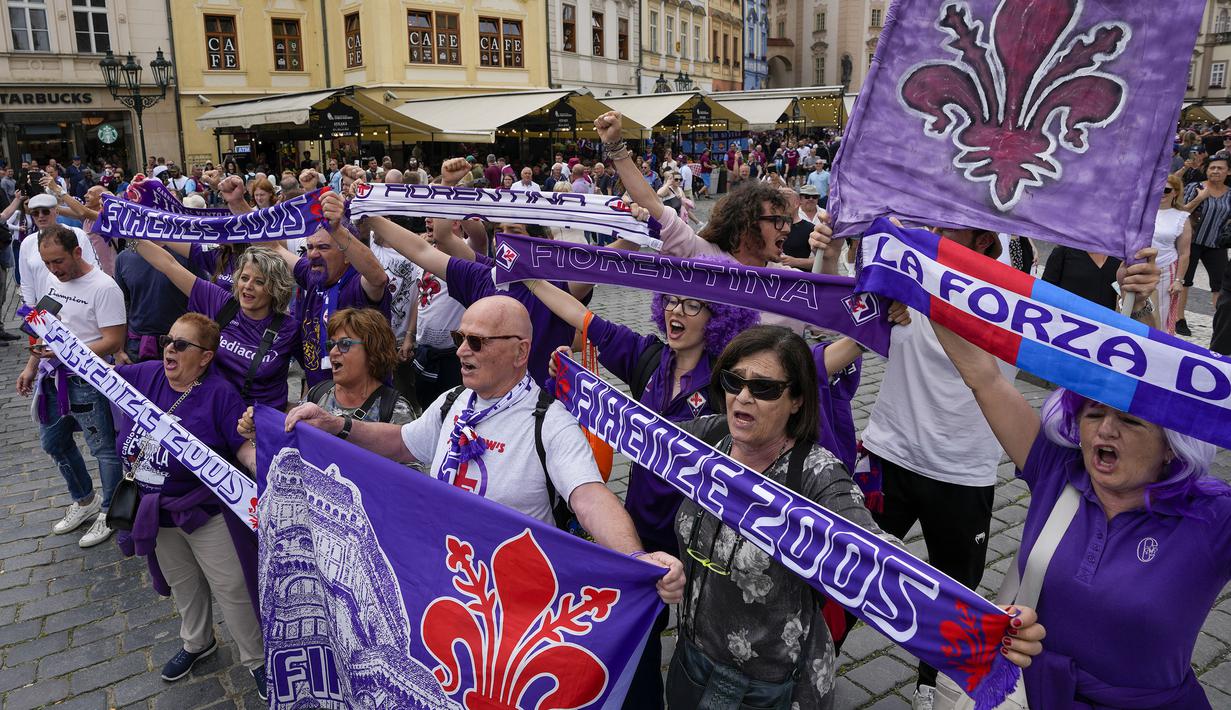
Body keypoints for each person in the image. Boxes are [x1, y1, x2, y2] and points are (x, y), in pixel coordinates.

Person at [280, 295, 685, 600]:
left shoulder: (549, 421)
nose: (461, 351)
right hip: (440, 576)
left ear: (520, 351)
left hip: (510, 599)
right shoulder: (453, 400)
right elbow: (403, 442)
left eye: (476, 341)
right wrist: (337, 425)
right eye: (460, 338)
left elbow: (590, 498)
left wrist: (637, 559)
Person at [930, 298, 1223, 708]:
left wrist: (1146, 306)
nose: (1106, 430)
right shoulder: (1058, 470)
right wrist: (922, 284)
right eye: (1093, 413)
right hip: (1034, 697)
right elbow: (985, 377)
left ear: (1172, 447)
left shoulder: (1213, 517)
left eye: (1130, 420)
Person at [530, 275, 759, 707]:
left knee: (704, 639)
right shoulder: (647, 357)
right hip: (641, 527)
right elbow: (582, 317)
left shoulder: (729, 380)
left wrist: (864, 334)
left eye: (691, 305)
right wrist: (527, 274)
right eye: (670, 300)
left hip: (702, 540)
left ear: (718, 318)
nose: (676, 311)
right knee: (641, 634)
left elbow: (810, 367)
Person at [110, 313, 266, 699]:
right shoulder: (147, 375)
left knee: (231, 587)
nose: (169, 349)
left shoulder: (219, 394)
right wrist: (56, 346)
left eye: (181, 345)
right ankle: (198, 642)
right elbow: (98, 374)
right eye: (168, 340)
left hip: (204, 512)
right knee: (183, 583)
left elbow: (242, 446)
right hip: (156, 511)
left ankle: (258, 660)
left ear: (205, 357)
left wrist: (261, 466)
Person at [15, 225, 125, 548]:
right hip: (53, 377)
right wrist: (31, 366)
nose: (53, 269)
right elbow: (43, 326)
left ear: (77, 252)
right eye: (47, 263)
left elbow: (113, 341)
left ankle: (110, 510)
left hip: (88, 380)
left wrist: (66, 352)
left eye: (58, 261)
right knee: (53, 442)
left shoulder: (104, 287)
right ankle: (85, 499)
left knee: (103, 449)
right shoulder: (52, 281)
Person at [132, 241, 301, 410]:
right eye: (244, 278)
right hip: (210, 411)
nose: (248, 286)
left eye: (259, 282)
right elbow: (169, 265)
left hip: (256, 420)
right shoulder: (221, 302)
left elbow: (314, 373)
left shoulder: (290, 329)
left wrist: (299, 409)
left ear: (275, 288)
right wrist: (128, 234)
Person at [295, 308, 417, 424]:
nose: (332, 352)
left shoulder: (396, 411)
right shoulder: (318, 394)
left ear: (373, 350)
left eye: (344, 344)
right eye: (331, 344)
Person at [114, 241, 197, 363]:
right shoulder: (123, 258)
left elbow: (202, 302)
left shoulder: (186, 254)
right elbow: (121, 307)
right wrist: (119, 350)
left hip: (178, 345)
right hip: (135, 347)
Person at [1177, 151, 1231, 336]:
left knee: (1220, 285)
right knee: (1184, 281)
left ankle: (1221, 323)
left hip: (1216, 244)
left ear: (1228, 172)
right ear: (1206, 170)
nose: (1215, 171)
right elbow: (1181, 212)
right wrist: (1200, 198)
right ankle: (1179, 319)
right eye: (1212, 168)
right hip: (1191, 242)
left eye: (1220, 168)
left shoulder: (1230, 194)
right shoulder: (1195, 187)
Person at [1152, 174, 1192, 335]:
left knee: (1162, 312)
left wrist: (1178, 281)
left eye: (1167, 190)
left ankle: (1158, 343)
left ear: (1175, 192)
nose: (1162, 193)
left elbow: (1184, 253)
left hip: (1165, 268)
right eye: (1159, 189)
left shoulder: (1181, 217)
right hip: (1138, 266)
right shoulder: (1142, 211)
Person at [1042, 247, 1123, 310]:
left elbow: (1124, 303)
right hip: (1064, 322)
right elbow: (1044, 292)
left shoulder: (1121, 257)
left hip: (1102, 324)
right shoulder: (1065, 248)